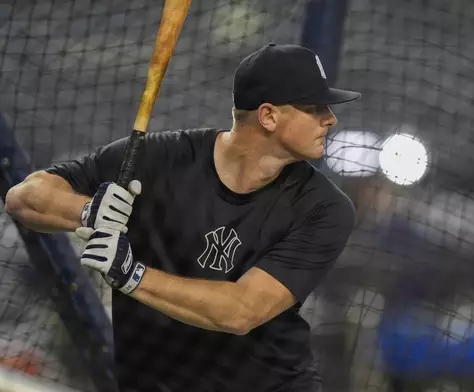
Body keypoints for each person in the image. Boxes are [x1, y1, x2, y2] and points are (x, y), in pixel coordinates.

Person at [5, 43, 361, 392]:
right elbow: (23, 198)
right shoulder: (159, 160)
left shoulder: (324, 208)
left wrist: (131, 275)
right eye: (315, 107)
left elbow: (241, 311)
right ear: (268, 116)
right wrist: (89, 211)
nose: (330, 118)